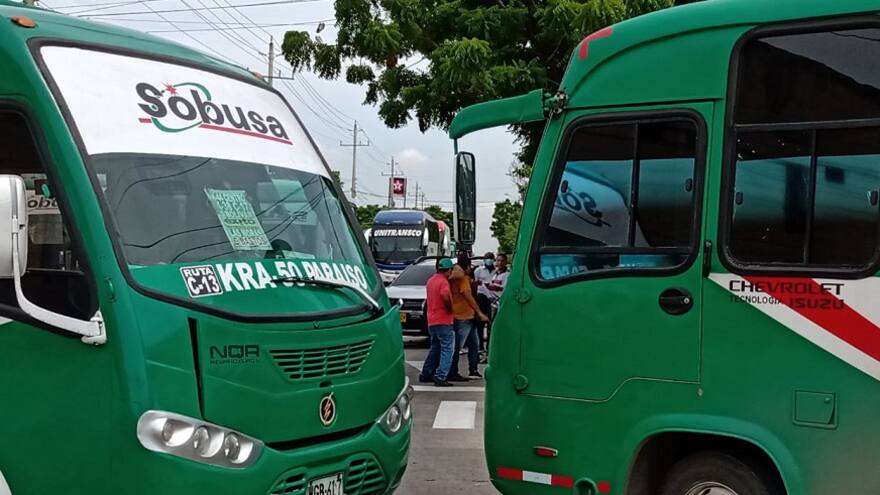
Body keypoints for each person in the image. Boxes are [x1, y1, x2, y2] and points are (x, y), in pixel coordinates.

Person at [449, 251, 488, 380]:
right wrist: (479, 312)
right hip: (463, 317)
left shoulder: (458, 278)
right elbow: (468, 296)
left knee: (474, 344)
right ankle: (452, 371)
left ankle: (473, 369)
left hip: (466, 316)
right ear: (467, 266)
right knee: (457, 346)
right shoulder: (463, 278)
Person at [419, 258, 457, 387]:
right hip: (444, 320)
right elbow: (445, 295)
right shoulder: (443, 282)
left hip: (432, 320)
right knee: (447, 348)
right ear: (448, 270)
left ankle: (426, 373)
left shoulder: (431, 281)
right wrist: (450, 308)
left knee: (435, 348)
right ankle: (441, 376)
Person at [473, 252, 495, 353]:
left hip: (494, 298)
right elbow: (477, 284)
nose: (489, 260)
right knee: (480, 324)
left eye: (491, 258)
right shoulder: (478, 270)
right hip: (481, 297)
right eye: (487, 258)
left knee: (491, 322)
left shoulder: (496, 271)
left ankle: (490, 346)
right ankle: (480, 345)